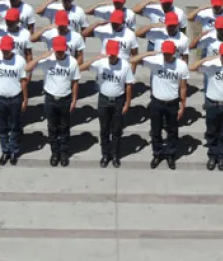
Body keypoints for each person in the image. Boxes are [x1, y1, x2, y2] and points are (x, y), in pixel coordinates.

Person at [130, 41, 189, 169]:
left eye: (169, 54)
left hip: (172, 102)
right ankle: (157, 153)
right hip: (157, 102)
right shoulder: (155, 61)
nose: (166, 56)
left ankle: (170, 154)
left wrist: (183, 105)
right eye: (164, 53)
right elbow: (133, 59)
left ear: (174, 53)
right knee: (156, 130)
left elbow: (183, 86)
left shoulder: (181, 65)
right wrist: (151, 53)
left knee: (172, 131)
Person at [25, 36, 81, 167]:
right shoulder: (47, 60)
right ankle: (55, 153)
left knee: (64, 127)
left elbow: (75, 82)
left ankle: (64, 153)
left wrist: (74, 100)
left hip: (65, 98)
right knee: (52, 127)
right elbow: (27, 68)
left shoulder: (72, 62)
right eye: (57, 51)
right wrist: (41, 57)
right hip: (50, 98)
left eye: (62, 50)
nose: (59, 53)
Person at [79, 40, 134, 168]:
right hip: (103, 99)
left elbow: (129, 85)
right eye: (110, 54)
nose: (112, 57)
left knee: (116, 130)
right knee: (104, 130)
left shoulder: (125, 65)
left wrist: (127, 103)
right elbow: (80, 68)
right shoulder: (101, 63)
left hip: (118, 100)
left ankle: (115, 155)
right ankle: (105, 154)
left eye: (114, 54)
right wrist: (95, 58)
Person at [190, 43, 223, 171]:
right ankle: (212, 156)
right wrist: (207, 59)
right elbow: (192, 67)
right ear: (220, 55)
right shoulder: (211, 66)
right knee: (212, 132)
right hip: (212, 104)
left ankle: (222, 157)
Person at [0, 36, 28, 166]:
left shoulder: (20, 61)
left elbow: (23, 81)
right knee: (2, 127)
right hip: (0, 99)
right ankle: (5, 151)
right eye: (3, 50)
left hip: (15, 98)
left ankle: (14, 151)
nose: (5, 52)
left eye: (7, 50)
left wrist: (25, 99)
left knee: (15, 126)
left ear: (12, 48)